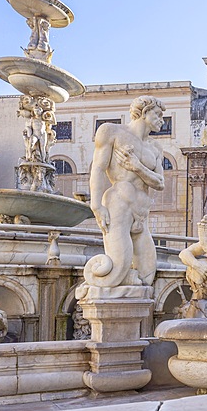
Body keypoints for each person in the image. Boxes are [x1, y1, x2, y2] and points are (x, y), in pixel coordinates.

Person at [86, 96, 166, 287]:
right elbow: (97, 168)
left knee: (147, 273)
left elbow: (160, 183)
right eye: (158, 114)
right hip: (119, 204)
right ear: (145, 112)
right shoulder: (111, 131)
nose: (162, 120)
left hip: (142, 213)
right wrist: (96, 205)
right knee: (117, 270)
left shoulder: (155, 148)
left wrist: (137, 167)